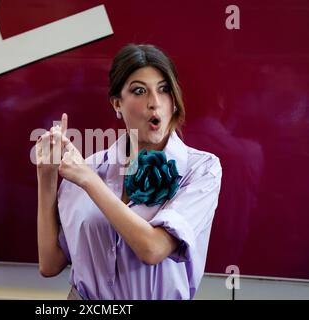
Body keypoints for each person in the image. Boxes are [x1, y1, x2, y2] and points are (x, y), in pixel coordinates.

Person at [35, 44, 222, 300]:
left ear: (175, 101)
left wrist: (90, 182)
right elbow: (50, 263)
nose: (154, 103)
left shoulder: (201, 169)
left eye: (164, 89)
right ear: (117, 104)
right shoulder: (88, 167)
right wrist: (46, 177)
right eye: (139, 91)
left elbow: (153, 249)